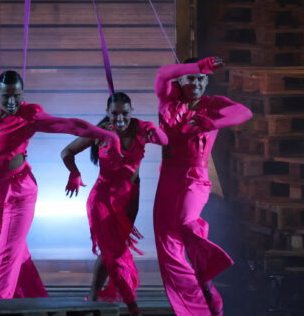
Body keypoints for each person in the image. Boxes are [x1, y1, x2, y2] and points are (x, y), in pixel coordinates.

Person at [0, 7, 121, 299]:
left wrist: (104, 134)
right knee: (14, 251)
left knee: (7, 252)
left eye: (17, 96)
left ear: (22, 94)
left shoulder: (30, 116)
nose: (12, 101)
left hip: (18, 190)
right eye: (8, 96)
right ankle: (37, 300)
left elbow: (70, 124)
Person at [152, 57, 253, 315]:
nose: (196, 82)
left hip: (195, 177)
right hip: (168, 177)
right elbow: (163, 72)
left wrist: (214, 123)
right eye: (191, 77)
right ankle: (197, 302)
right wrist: (199, 65)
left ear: (206, 82)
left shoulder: (213, 104)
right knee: (167, 243)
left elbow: (245, 112)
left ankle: (206, 275)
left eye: (200, 78)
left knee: (185, 223)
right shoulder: (168, 100)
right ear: (182, 79)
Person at [61, 92, 168, 316]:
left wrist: (152, 129)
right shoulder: (101, 132)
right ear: (107, 113)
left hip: (129, 200)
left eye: (125, 114)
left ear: (132, 112)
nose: (120, 119)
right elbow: (67, 152)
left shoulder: (140, 129)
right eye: (115, 114)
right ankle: (132, 306)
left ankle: (92, 298)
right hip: (102, 200)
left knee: (110, 251)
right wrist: (74, 174)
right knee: (114, 252)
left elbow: (164, 140)